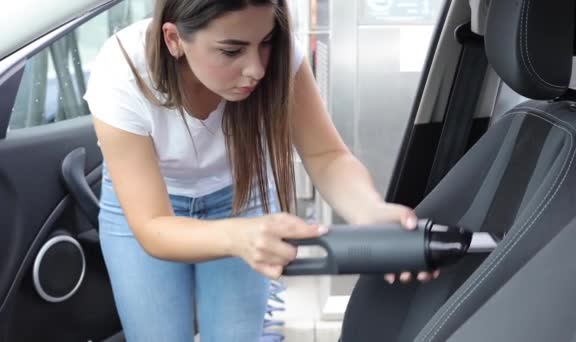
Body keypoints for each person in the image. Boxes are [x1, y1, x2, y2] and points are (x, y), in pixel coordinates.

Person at [84, 0, 439, 341]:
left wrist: (369, 211)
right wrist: (237, 237)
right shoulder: (122, 72)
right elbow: (152, 226)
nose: (257, 69)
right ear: (174, 39)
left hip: (241, 197)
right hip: (150, 209)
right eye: (231, 51)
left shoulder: (283, 58)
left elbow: (326, 155)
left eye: (265, 42)